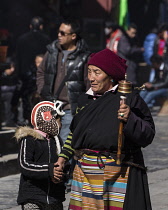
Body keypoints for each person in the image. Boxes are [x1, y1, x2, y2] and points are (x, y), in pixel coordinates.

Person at [54, 49, 155, 210]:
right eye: (89, 72)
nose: (91, 78)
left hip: (116, 174)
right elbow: (75, 133)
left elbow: (148, 134)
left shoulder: (129, 99)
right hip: (84, 172)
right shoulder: (84, 99)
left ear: (110, 75)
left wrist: (130, 118)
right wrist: (62, 158)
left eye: (97, 72)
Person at [36, 18, 90, 143]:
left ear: (73, 36)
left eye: (63, 33)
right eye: (58, 32)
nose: (59, 35)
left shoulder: (84, 57)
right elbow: (41, 72)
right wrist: (42, 90)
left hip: (70, 108)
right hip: (49, 106)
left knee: (66, 144)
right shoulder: (51, 52)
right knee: (48, 143)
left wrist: (85, 106)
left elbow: (89, 82)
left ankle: (65, 163)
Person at [15, 100, 67, 210]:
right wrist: (49, 170)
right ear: (46, 118)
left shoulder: (56, 141)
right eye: (58, 119)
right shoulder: (29, 139)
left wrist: (61, 175)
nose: (61, 124)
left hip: (54, 197)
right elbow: (24, 165)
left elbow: (63, 165)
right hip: (33, 197)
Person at [16, 16, 50, 125]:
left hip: (25, 74)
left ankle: (28, 119)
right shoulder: (46, 40)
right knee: (40, 98)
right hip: (41, 75)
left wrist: (18, 75)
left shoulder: (21, 39)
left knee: (26, 99)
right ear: (41, 26)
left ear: (30, 26)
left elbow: (18, 59)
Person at [0, 62, 17, 127]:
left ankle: (8, 120)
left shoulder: (14, 76)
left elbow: (16, 86)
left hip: (10, 95)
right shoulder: (2, 75)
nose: (12, 70)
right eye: (9, 68)